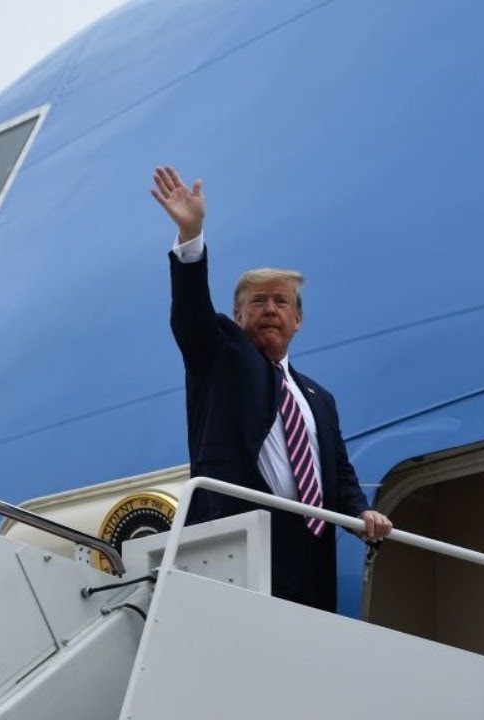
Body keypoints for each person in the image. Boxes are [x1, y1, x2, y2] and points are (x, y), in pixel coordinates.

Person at [151, 166, 393, 612]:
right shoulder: (221, 357)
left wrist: (361, 513)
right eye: (257, 302)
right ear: (237, 317)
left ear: (298, 320)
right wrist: (191, 235)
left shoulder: (320, 399)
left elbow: (337, 475)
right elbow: (191, 316)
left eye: (281, 301)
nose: (270, 309)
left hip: (311, 547)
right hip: (238, 533)